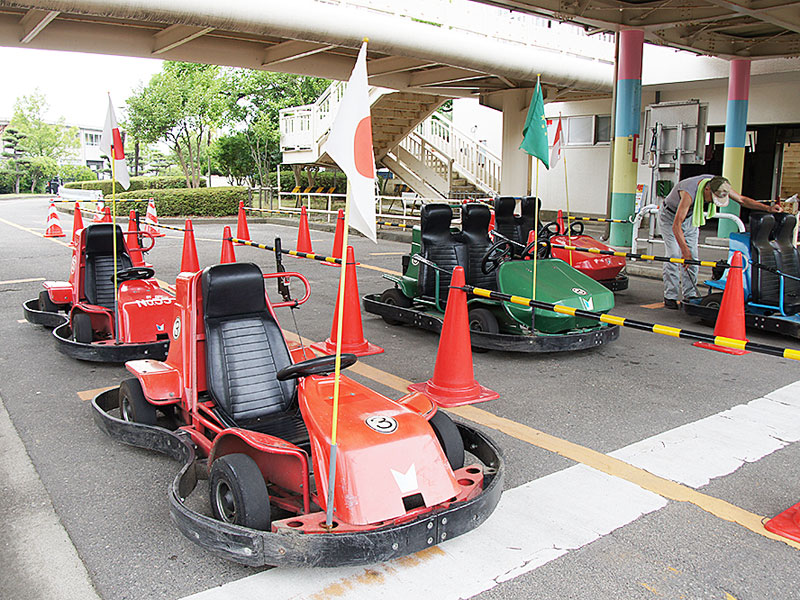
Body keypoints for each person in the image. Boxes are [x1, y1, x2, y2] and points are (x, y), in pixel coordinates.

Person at [658, 174, 781, 309]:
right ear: (707, 190)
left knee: (693, 257)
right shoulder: (689, 191)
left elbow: (742, 199)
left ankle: (690, 294)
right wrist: (684, 250)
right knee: (674, 255)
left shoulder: (720, 184)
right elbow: (676, 225)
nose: (712, 202)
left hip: (690, 218)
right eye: (713, 198)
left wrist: (768, 208)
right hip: (670, 217)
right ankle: (670, 296)